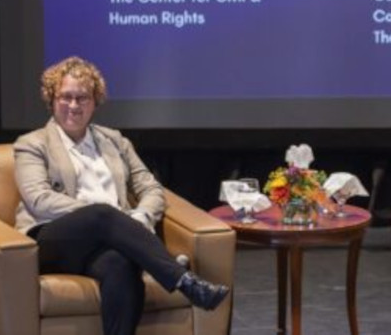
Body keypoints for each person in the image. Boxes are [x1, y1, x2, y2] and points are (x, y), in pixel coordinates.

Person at [14, 57, 229, 335]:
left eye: (83, 98)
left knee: (121, 265)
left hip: (109, 240)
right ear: (52, 100)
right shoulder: (32, 144)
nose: (74, 105)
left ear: (95, 102)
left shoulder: (115, 141)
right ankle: (183, 280)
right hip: (54, 239)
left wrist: (140, 216)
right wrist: (106, 215)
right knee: (102, 213)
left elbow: (150, 188)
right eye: (65, 97)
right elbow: (38, 200)